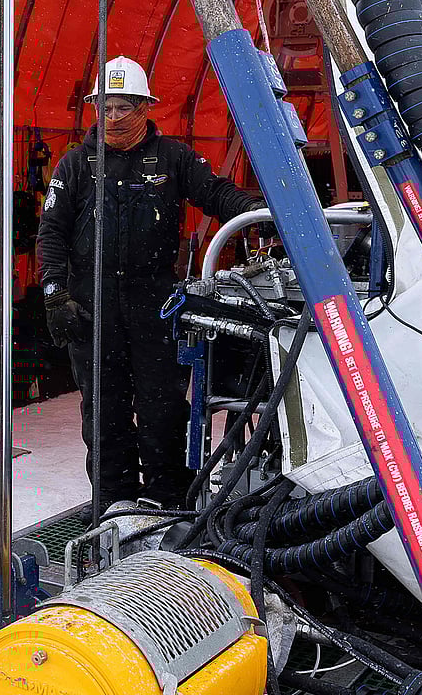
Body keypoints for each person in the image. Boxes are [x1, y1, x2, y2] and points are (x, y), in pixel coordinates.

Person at [35, 56, 265, 515]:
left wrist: (264, 214)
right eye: (106, 107)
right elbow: (51, 233)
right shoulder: (75, 165)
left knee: (162, 409)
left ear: (144, 107)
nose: (114, 117)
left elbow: (216, 193)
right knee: (103, 413)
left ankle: (165, 502)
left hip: (154, 307)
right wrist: (54, 293)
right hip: (93, 309)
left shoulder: (174, 158)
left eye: (124, 107)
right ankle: (111, 504)